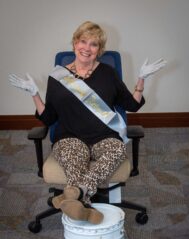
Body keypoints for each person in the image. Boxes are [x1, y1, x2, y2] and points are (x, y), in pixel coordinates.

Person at [9, 21, 166, 224]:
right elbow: (49, 118)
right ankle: (84, 204)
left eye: (94, 44)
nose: (87, 48)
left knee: (117, 150)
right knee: (75, 160)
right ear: (75, 43)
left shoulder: (108, 73)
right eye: (83, 41)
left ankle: (75, 195)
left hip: (104, 136)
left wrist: (141, 79)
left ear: (99, 50)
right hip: (70, 137)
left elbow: (132, 105)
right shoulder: (58, 77)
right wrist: (34, 94)